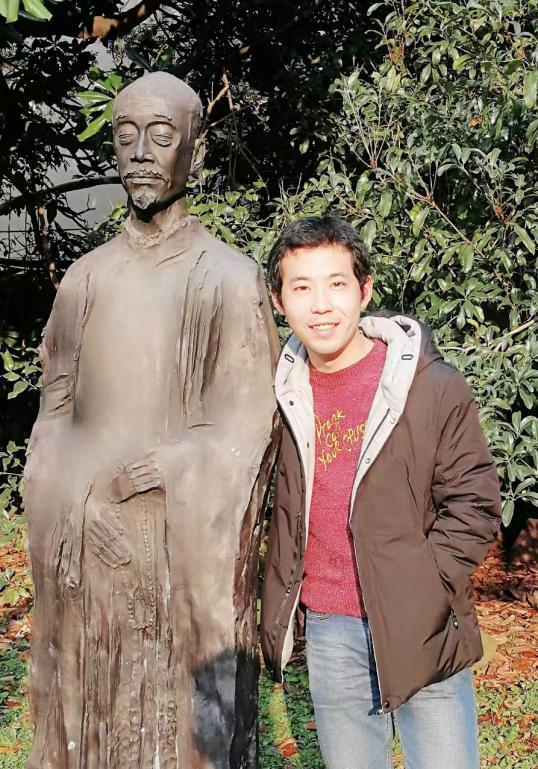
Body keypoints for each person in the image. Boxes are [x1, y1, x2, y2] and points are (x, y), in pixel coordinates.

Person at [23, 72, 278, 769]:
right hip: (90, 554)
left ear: (196, 150)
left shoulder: (228, 279)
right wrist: (80, 503)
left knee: (177, 732)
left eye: (161, 136)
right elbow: (53, 420)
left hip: (177, 555)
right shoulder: (85, 280)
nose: (140, 152)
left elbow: (249, 429)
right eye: (126, 135)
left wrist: (169, 470)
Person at [260, 214, 502, 769]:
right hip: (331, 630)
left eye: (336, 283)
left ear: (364, 290)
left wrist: (426, 584)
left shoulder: (429, 386)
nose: (321, 305)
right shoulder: (280, 395)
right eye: (301, 288)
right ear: (279, 301)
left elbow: (475, 502)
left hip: (423, 622)